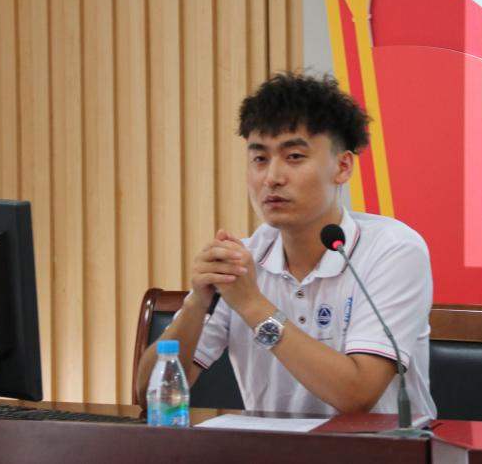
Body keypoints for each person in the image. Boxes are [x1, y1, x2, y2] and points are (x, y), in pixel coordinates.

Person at [134, 72, 435, 416]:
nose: (272, 177)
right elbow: (150, 397)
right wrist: (197, 303)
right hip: (271, 445)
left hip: (380, 445)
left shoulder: (393, 251)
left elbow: (357, 394)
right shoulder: (244, 260)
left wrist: (252, 305)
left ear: (342, 166)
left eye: (294, 157)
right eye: (260, 159)